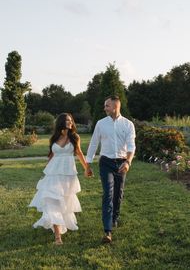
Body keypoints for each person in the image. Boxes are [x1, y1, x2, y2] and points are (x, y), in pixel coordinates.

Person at [29, 113, 93, 245]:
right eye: (67, 120)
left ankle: (60, 223)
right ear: (61, 123)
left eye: (71, 120)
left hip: (68, 174)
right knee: (52, 201)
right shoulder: (54, 138)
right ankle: (58, 237)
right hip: (53, 174)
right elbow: (51, 155)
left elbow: (79, 153)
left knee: (64, 202)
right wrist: (47, 171)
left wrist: (87, 168)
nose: (70, 122)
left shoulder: (75, 137)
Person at [86, 95, 136, 243]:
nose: (104, 108)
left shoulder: (128, 125)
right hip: (106, 162)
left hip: (121, 163)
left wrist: (128, 162)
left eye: (107, 105)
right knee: (108, 193)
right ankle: (107, 231)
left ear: (115, 106)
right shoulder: (101, 124)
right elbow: (94, 143)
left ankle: (115, 217)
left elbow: (131, 146)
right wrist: (88, 164)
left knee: (118, 193)